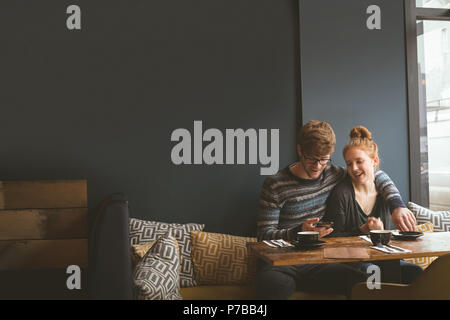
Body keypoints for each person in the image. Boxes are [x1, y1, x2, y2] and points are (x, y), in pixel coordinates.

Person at [255, 120, 417, 299]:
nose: (317, 166)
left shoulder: (334, 173)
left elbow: (376, 174)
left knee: (365, 280)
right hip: (283, 263)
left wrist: (397, 206)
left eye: (323, 159)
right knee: (271, 286)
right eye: (311, 158)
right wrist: (297, 231)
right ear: (300, 150)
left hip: (320, 262)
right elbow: (263, 235)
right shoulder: (275, 184)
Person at [323, 125, 422, 284]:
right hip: (352, 260)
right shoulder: (342, 194)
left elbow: (386, 243)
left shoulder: (384, 192)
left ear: (374, 161)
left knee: (415, 272)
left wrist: (382, 233)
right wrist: (361, 231)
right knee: (374, 273)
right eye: (349, 164)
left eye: (359, 161)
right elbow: (332, 240)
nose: (354, 168)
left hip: (380, 256)